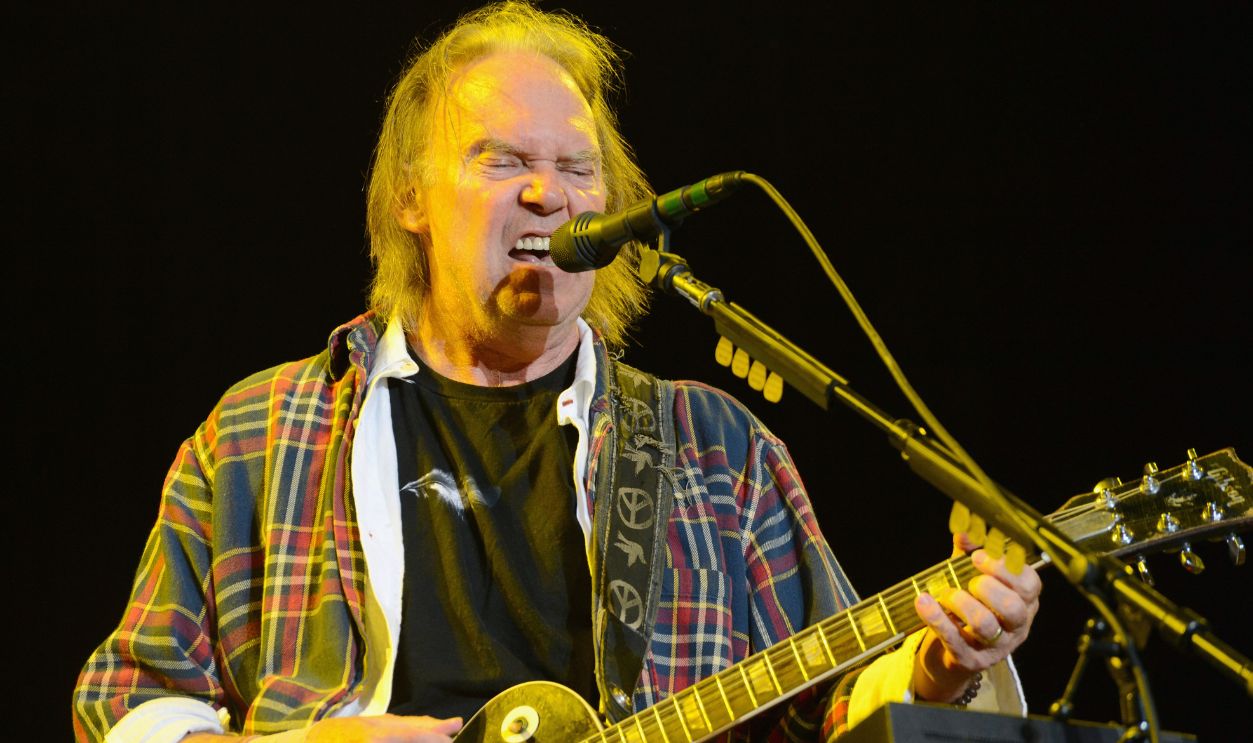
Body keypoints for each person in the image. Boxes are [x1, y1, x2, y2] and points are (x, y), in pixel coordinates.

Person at [73, 3, 1041, 741]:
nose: (549, 193)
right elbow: (125, 697)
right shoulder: (263, 429)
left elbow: (827, 704)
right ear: (410, 195)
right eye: (502, 160)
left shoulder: (714, 443)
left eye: (577, 170)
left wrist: (936, 665)